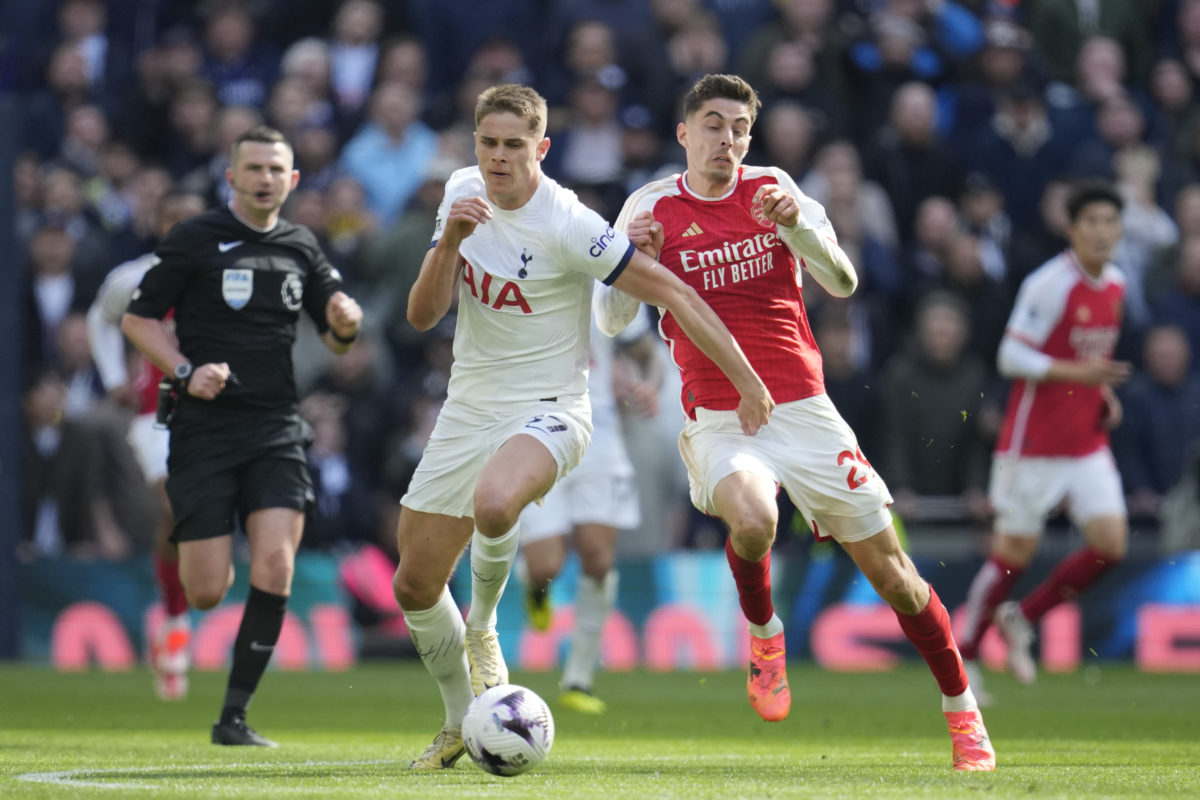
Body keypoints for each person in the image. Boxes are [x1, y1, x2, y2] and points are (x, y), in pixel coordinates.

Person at [593, 74, 995, 770]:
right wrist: (641, 259)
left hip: (805, 411)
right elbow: (609, 320)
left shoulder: (776, 189)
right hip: (720, 416)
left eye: (740, 127)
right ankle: (765, 632)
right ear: (684, 133)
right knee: (753, 521)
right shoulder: (648, 206)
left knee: (896, 577)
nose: (728, 139)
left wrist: (798, 227)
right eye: (713, 124)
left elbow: (843, 283)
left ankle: (963, 711)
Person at [393, 83, 772, 771]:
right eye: (489, 144)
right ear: (474, 145)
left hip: (553, 407)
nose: (500, 158)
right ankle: (458, 722)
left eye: (515, 145)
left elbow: (673, 293)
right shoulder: (460, 195)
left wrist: (747, 378)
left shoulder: (570, 223)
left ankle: (482, 628)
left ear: (542, 148)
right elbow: (422, 315)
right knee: (414, 586)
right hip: (468, 408)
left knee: (496, 502)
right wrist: (448, 241)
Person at [121, 125, 364, 747]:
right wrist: (185, 371)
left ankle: (233, 716)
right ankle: (177, 621)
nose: (264, 178)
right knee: (207, 590)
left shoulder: (302, 245)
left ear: (293, 180)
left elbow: (338, 331)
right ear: (231, 177)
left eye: (275, 169)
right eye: (252, 168)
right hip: (203, 428)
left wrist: (346, 322)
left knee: (277, 563)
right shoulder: (194, 239)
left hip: (276, 425)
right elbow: (137, 318)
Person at [958, 181, 1132, 703]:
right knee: (1012, 555)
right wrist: (1080, 371)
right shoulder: (1050, 284)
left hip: (1085, 443)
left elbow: (1091, 360)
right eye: (1092, 222)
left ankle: (1023, 617)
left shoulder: (1117, 285)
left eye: (1110, 222)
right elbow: (1012, 357)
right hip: (1031, 446)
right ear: (1073, 229)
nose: (1102, 232)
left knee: (1111, 546)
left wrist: (1100, 392)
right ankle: (963, 661)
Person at [86, 188, 207, 701]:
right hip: (153, 411)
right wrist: (114, 374)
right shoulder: (133, 277)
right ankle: (175, 623)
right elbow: (100, 317)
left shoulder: (225, 275)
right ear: (158, 223)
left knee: (187, 518)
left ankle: (178, 611)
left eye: (190, 218)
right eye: (172, 217)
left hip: (212, 413)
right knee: (174, 506)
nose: (180, 225)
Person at [518, 309, 663, 714]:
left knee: (599, 558)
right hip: (534, 434)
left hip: (599, 440)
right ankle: (534, 582)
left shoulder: (605, 280)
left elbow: (648, 355)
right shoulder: (522, 271)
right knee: (547, 563)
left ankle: (578, 679)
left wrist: (649, 386)